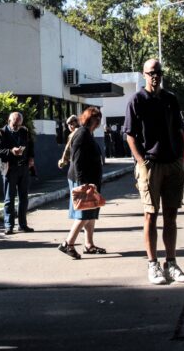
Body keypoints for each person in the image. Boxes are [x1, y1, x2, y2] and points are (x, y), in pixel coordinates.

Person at [124, 59, 184, 285]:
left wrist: (180, 157)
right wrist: (141, 162)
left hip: (173, 163)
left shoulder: (170, 99)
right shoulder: (137, 100)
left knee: (171, 216)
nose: (156, 76)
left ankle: (171, 263)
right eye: (152, 72)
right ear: (144, 74)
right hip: (150, 164)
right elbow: (130, 135)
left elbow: (179, 128)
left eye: (159, 72)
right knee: (151, 215)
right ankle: (153, 264)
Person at [58, 108, 106, 259]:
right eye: (94, 117)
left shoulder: (88, 133)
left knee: (91, 213)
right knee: (84, 214)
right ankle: (68, 243)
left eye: (98, 117)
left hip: (90, 180)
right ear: (86, 118)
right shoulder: (82, 133)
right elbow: (76, 159)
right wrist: (83, 184)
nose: (97, 121)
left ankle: (89, 245)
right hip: (82, 180)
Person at [0, 111, 35, 235]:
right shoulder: (1, 133)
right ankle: (8, 225)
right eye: (14, 124)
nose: (17, 127)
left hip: (23, 168)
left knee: (24, 198)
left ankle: (22, 225)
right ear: (9, 121)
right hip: (9, 169)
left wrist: (31, 158)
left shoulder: (24, 131)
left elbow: (30, 146)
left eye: (19, 125)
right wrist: (11, 151)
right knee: (9, 199)